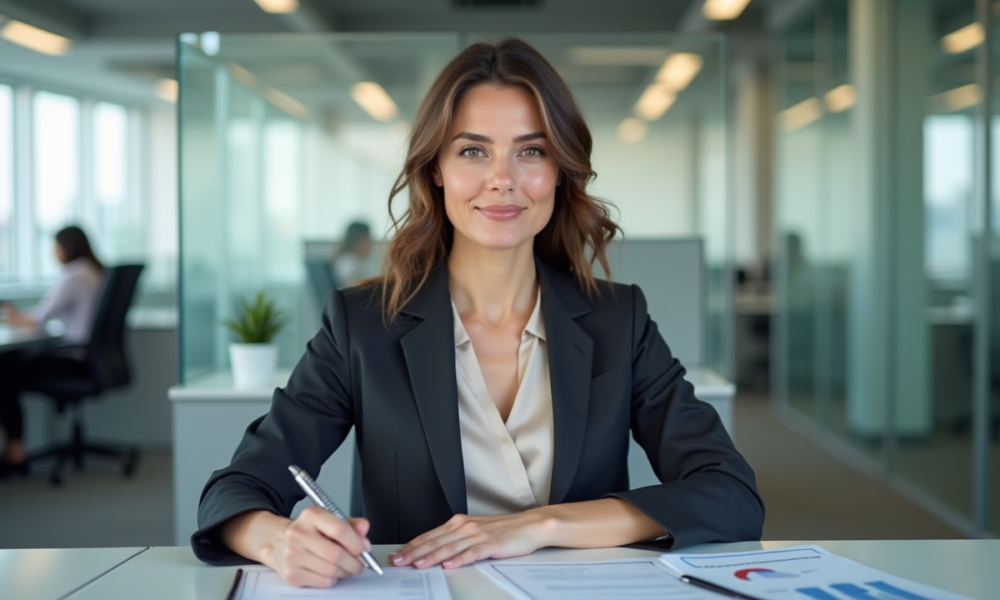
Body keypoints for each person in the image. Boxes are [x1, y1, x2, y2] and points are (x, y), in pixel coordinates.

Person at [192, 39, 764, 588]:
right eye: (473, 151)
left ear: (560, 170)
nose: (502, 179)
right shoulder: (362, 323)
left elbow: (730, 493)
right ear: (435, 168)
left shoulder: (619, 321)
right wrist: (278, 540)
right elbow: (238, 487)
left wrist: (543, 525)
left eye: (531, 151)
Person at [0, 226, 104, 478]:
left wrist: (9, 316)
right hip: (91, 359)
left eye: (55, 247)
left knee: (4, 371)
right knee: (10, 364)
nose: (53, 253)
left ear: (66, 247)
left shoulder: (74, 275)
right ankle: (15, 450)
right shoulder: (94, 273)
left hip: (75, 359)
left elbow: (38, 319)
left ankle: (16, 452)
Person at [329, 221, 376, 287]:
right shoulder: (351, 268)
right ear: (359, 241)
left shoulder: (345, 260)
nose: (371, 245)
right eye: (369, 240)